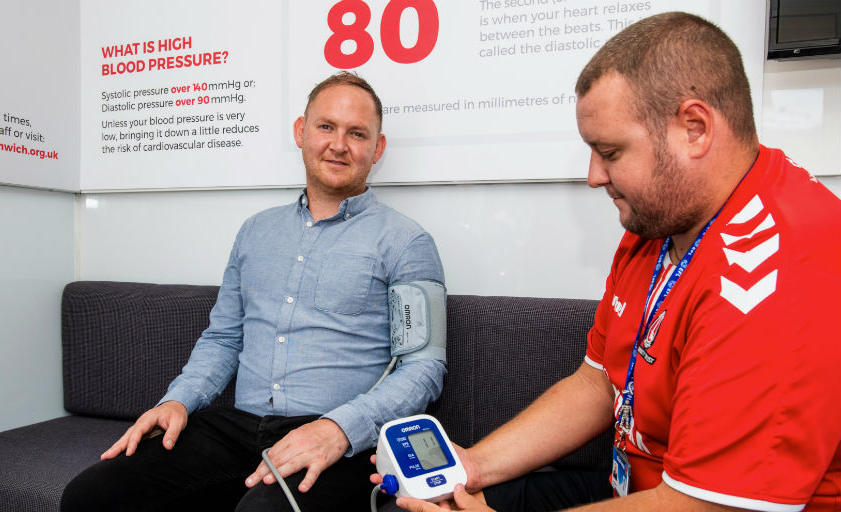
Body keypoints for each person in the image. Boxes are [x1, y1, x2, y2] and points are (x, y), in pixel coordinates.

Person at [376, 11, 841, 512]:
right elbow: (600, 380)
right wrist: (471, 468)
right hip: (637, 487)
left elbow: (705, 506)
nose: (595, 175)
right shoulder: (663, 215)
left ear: (695, 128)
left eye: (610, 151)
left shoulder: (776, 276)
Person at [61, 71, 448, 512]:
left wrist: (339, 429)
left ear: (377, 149)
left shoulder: (406, 241)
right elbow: (224, 338)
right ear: (301, 132)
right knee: (91, 496)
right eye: (326, 127)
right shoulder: (255, 232)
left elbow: (423, 369)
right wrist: (178, 399)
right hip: (235, 428)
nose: (339, 144)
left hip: (335, 436)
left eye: (356, 133)